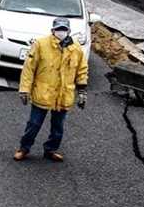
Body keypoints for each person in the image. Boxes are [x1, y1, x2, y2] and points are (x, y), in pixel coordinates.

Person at [14, 17, 88, 163]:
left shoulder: (76, 49)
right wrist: (24, 89)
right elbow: (29, 68)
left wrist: (82, 91)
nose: (61, 32)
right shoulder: (41, 45)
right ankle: (24, 148)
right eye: (58, 29)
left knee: (58, 126)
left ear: (69, 31)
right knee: (34, 124)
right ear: (52, 30)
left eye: (64, 29)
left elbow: (82, 70)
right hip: (43, 93)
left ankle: (51, 149)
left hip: (63, 95)